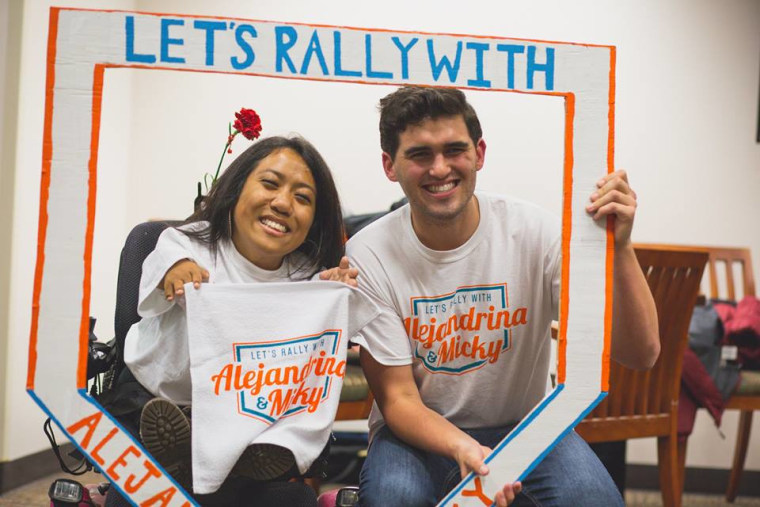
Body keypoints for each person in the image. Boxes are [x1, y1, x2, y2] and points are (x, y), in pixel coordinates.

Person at [347, 86, 659, 507]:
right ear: (390, 165)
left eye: (454, 150)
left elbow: (641, 353)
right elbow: (398, 399)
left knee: (594, 499)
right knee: (393, 499)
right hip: (414, 433)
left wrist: (621, 248)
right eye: (420, 154)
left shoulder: (535, 233)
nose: (440, 168)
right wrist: (463, 447)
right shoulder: (369, 253)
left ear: (479, 153)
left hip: (526, 425)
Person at [121, 135, 357, 507]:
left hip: (245, 415)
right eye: (270, 183)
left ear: (315, 219)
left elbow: (335, 344)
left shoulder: (310, 277)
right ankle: (211, 452)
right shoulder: (186, 244)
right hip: (162, 399)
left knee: (278, 479)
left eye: (303, 197)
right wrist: (177, 272)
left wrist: (338, 296)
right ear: (236, 187)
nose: (282, 203)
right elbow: (162, 272)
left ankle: (229, 452)